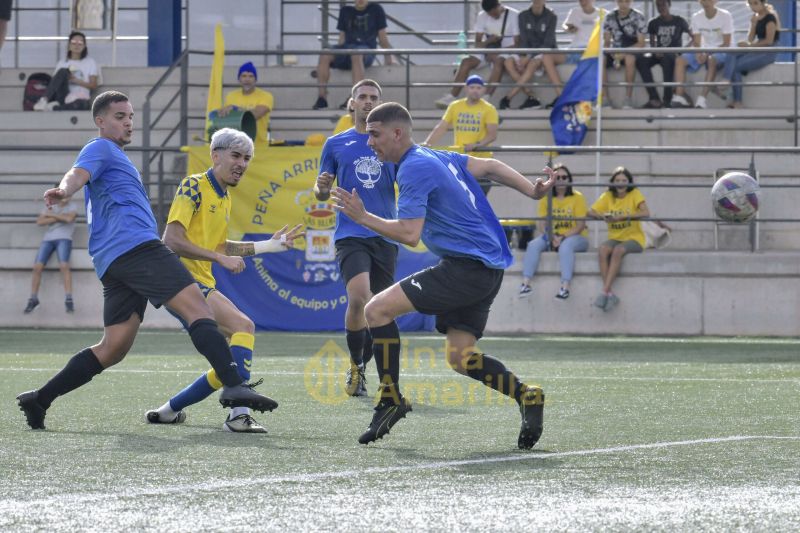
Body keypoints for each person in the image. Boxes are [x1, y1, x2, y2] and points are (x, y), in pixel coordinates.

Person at [15, 91, 277, 430]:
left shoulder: (117, 159)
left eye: (130, 117)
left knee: (113, 348)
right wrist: (64, 191)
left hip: (112, 260)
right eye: (120, 116)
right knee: (197, 305)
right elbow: (76, 174)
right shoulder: (99, 148)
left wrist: (266, 246)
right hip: (136, 248)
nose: (128, 123)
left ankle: (40, 399)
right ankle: (233, 385)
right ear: (100, 121)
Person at [330, 101, 554, 448]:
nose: (369, 142)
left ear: (397, 133)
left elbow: (409, 233)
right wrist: (532, 190)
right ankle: (527, 394)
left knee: (375, 310)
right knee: (461, 357)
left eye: (374, 134)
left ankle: (390, 399)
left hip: (466, 268)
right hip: (485, 269)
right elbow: (491, 167)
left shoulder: (412, 168)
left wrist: (362, 217)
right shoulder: (438, 156)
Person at [146, 128, 303, 433]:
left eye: (246, 158)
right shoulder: (193, 186)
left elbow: (219, 246)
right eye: (235, 155)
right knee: (244, 326)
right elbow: (172, 240)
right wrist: (219, 259)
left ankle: (168, 411)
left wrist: (269, 246)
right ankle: (239, 414)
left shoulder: (225, 197)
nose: (242, 163)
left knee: (230, 357)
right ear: (215, 156)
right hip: (180, 280)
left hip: (196, 282)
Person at [314, 79, 397, 397]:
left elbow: (406, 177)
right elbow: (321, 192)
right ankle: (355, 365)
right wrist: (321, 188)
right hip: (350, 233)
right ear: (351, 103)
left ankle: (363, 368)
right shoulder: (335, 144)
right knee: (360, 297)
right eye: (361, 96)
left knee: (380, 308)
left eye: (373, 97)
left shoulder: (390, 143)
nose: (367, 101)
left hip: (385, 233)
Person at [519, 163, 588, 299]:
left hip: (575, 237)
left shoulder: (577, 197)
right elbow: (542, 224)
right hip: (552, 236)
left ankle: (565, 287)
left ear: (569, 179)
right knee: (533, 245)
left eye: (564, 177)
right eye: (558, 177)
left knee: (566, 246)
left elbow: (580, 226)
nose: (561, 180)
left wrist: (561, 237)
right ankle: (525, 284)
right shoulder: (546, 197)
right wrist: (550, 236)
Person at [435, 0, 520, 109]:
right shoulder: (482, 16)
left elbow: (517, 44)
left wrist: (497, 52)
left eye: (495, 13)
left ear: (499, 6)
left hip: (506, 51)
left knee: (499, 62)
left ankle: (486, 97)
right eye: (489, 14)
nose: (493, 16)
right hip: (487, 50)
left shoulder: (514, 15)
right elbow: (478, 44)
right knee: (466, 61)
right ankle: (451, 96)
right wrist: (489, 42)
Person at [587, 166, 649, 312]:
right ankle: (609, 293)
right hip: (615, 237)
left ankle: (604, 291)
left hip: (635, 238)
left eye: (624, 180)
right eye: (618, 180)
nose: (621, 183)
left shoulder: (635, 193)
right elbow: (590, 211)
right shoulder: (608, 196)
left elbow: (646, 212)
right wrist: (603, 217)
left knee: (618, 251)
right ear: (613, 182)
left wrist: (623, 217)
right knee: (603, 249)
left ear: (629, 182)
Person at [312, 0, 394, 110]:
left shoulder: (376, 9)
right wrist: (331, 61)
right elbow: (342, 39)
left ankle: (353, 99)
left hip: (366, 50)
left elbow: (382, 38)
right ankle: (322, 98)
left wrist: (388, 58)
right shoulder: (345, 11)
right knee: (325, 53)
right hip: (347, 49)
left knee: (356, 54)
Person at [24, 186, 78, 314]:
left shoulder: (72, 207)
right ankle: (33, 299)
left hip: (64, 239)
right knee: (37, 267)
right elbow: (40, 221)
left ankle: (69, 299)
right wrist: (60, 216)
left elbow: (69, 219)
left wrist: (51, 215)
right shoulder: (51, 206)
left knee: (64, 266)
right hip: (48, 240)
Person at [671, 0, 733, 109]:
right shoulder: (696, 17)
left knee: (711, 59)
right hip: (705, 50)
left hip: (722, 51)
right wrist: (699, 52)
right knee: (680, 60)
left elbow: (726, 43)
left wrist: (707, 52)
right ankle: (679, 96)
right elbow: (697, 42)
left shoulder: (725, 15)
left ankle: (702, 100)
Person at [498, 0, 558, 110]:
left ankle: (507, 98)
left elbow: (548, 43)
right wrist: (524, 55)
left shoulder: (552, 17)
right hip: (527, 51)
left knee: (532, 64)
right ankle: (531, 97)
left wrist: (528, 56)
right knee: (508, 62)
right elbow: (524, 40)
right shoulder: (523, 16)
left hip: (543, 52)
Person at [540, 0, 605, 100]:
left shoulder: (603, 13)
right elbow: (565, 25)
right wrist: (568, 28)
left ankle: (599, 97)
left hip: (592, 52)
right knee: (546, 56)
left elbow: (608, 34)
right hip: (574, 50)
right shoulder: (574, 11)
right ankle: (561, 95)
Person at [721, 0, 780, 109]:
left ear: (763, 3)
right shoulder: (755, 16)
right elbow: (750, 39)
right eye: (751, 4)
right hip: (757, 47)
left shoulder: (770, 18)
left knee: (736, 67)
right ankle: (726, 79)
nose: (753, 6)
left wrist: (750, 46)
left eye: (756, 3)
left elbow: (769, 41)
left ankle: (737, 101)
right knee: (732, 52)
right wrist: (753, 24)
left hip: (768, 52)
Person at [422, 74, 499, 154]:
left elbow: (492, 135)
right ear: (466, 88)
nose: (475, 91)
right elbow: (442, 127)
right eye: (472, 87)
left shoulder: (489, 109)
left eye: (478, 88)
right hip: (461, 155)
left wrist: (476, 145)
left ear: (483, 90)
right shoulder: (455, 106)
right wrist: (427, 143)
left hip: (482, 157)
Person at [636, 0, 691, 109]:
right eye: (658, 5)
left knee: (667, 58)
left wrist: (684, 50)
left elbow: (694, 37)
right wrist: (655, 50)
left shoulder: (679, 21)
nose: (661, 7)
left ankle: (667, 99)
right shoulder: (653, 22)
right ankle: (654, 98)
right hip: (659, 53)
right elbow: (652, 42)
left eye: (663, 4)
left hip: (672, 54)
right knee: (641, 60)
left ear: (669, 5)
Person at [32, 31, 99, 111]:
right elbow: (55, 84)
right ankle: (44, 100)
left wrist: (76, 81)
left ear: (84, 46)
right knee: (63, 71)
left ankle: (54, 108)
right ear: (69, 45)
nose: (77, 45)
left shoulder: (90, 62)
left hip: (80, 97)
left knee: (83, 104)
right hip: (64, 96)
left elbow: (93, 85)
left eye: (80, 43)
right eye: (73, 42)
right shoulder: (62, 63)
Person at [216, 62, 273, 145]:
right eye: (244, 76)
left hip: (259, 145)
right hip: (235, 146)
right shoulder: (231, 96)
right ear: (239, 79)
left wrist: (235, 109)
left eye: (251, 76)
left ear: (255, 79)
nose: (247, 79)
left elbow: (256, 114)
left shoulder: (266, 96)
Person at [603, 0, 647, 109]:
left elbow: (641, 43)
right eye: (620, 1)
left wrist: (624, 51)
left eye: (626, 1)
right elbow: (607, 42)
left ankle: (628, 98)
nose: (623, 4)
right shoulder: (609, 17)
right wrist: (610, 52)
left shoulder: (639, 17)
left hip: (632, 49)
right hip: (615, 51)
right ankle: (605, 99)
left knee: (629, 59)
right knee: (600, 59)